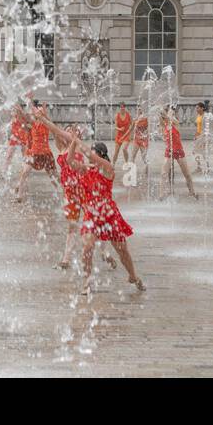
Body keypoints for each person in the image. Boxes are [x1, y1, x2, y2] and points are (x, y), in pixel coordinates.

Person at [34, 110, 118, 272]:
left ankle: (106, 254)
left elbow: (57, 131)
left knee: (93, 223)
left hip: (83, 190)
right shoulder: (61, 147)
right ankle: (66, 259)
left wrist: (43, 118)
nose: (69, 131)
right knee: (72, 226)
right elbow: (54, 131)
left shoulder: (76, 145)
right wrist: (43, 118)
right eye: (67, 129)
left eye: (71, 129)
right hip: (70, 192)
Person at [66, 135, 145, 295]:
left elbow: (89, 155)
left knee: (122, 251)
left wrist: (78, 141)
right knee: (87, 248)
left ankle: (133, 275)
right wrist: (73, 142)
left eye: (95, 154)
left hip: (109, 215)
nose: (91, 158)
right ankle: (87, 282)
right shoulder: (86, 170)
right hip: (92, 214)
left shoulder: (108, 168)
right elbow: (69, 161)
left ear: (101, 156)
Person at [15, 100, 58, 203]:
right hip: (34, 153)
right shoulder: (33, 123)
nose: (39, 112)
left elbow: (47, 120)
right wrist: (20, 110)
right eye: (38, 110)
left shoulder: (46, 124)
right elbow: (25, 118)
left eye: (41, 111)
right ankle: (19, 195)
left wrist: (44, 112)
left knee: (53, 176)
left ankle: (63, 191)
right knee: (25, 172)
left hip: (46, 154)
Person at [161, 106, 198, 199]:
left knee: (187, 174)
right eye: (170, 113)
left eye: (173, 114)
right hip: (169, 151)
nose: (172, 115)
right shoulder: (163, 125)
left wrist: (169, 114)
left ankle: (192, 192)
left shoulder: (176, 123)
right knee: (164, 173)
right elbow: (161, 115)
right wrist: (161, 111)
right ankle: (162, 195)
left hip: (179, 151)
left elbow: (170, 118)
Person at [192, 102, 211, 174]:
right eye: (196, 108)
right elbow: (198, 127)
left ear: (202, 108)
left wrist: (205, 136)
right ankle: (199, 167)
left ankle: (208, 168)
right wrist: (196, 136)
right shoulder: (198, 115)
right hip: (198, 136)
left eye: (198, 108)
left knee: (203, 153)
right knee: (195, 152)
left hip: (203, 136)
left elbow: (207, 127)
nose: (196, 109)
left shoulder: (205, 116)